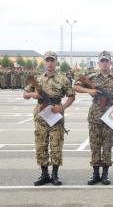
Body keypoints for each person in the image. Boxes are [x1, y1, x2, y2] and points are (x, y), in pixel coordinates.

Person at [73, 51, 113, 185]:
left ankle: (105, 174)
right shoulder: (91, 77)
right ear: (98, 63)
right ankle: (95, 174)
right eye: (102, 61)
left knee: (108, 144)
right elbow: (75, 86)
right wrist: (89, 91)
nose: (104, 63)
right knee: (94, 144)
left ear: (111, 63)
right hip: (95, 114)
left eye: (107, 61)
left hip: (111, 114)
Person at [23, 51, 75, 186]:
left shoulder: (64, 79)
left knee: (56, 144)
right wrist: (33, 94)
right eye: (47, 60)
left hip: (56, 113)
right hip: (41, 115)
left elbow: (72, 96)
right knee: (41, 144)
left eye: (52, 60)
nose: (50, 63)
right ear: (44, 63)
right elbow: (24, 94)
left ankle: (55, 175)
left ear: (56, 63)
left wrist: (63, 108)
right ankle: (44, 174)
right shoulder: (37, 79)